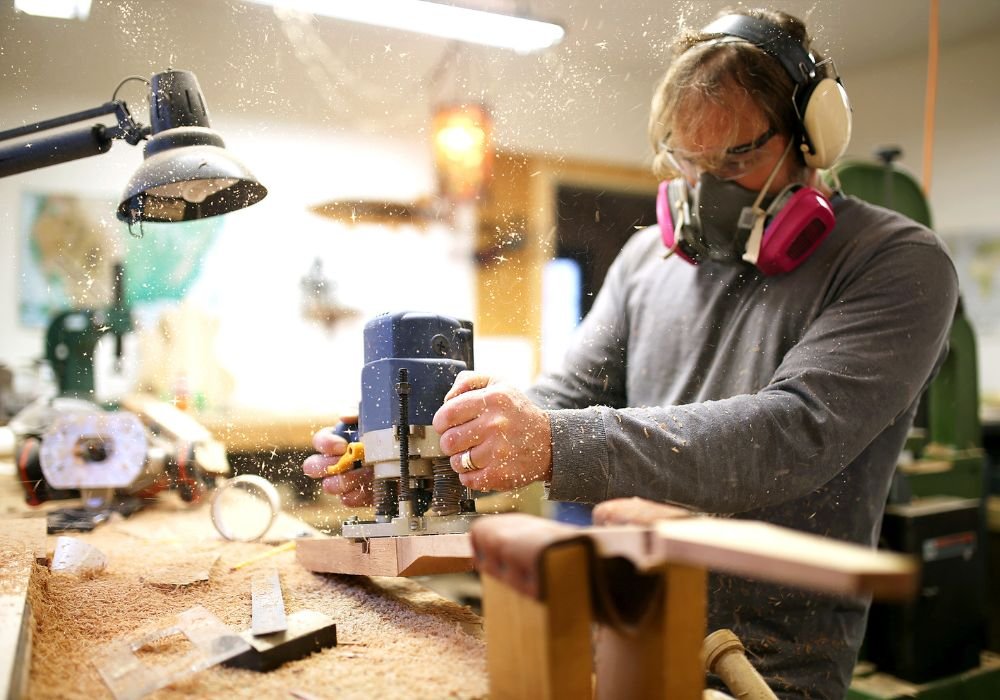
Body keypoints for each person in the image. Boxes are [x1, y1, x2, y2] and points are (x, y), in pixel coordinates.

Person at [302, 8, 958, 699]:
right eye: (688, 160)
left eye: (737, 158)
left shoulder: (894, 262)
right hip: (611, 632)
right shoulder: (649, 259)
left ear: (812, 137)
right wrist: (416, 448)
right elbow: (555, 402)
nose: (707, 189)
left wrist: (551, 442)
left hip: (769, 668)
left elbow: (792, 433)